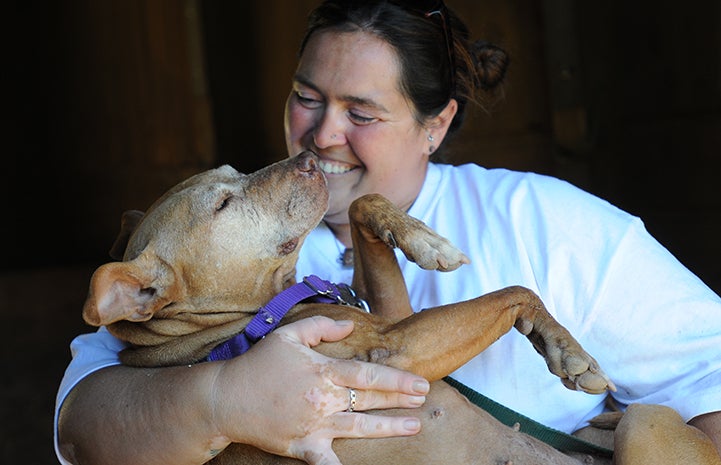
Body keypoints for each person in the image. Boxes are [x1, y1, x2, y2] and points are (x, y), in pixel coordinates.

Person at [56, 0, 721, 464]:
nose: (321, 137)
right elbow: (83, 429)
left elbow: (711, 371)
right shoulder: (222, 259)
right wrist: (224, 398)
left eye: (361, 112)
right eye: (306, 97)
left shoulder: (541, 220)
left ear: (434, 125)